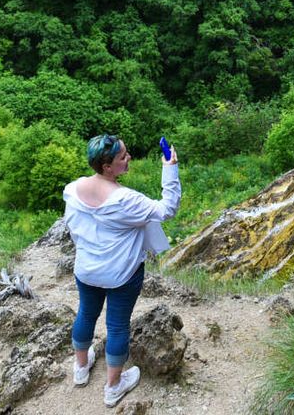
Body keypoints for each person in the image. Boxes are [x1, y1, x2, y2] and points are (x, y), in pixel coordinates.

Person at [63, 134, 181, 408]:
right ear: (107, 166)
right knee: (117, 326)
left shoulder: (74, 189)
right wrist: (170, 167)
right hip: (120, 274)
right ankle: (113, 386)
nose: (129, 158)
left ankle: (81, 368)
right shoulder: (125, 200)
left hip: (86, 269)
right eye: (123, 157)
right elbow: (167, 209)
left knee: (86, 314)